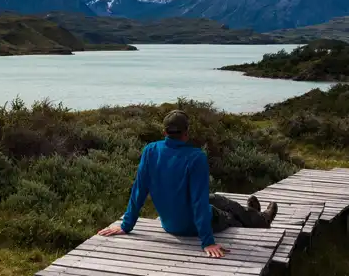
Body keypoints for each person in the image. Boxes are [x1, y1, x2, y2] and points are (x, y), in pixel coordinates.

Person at [98, 110, 278, 258]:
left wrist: (126, 226)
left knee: (217, 198)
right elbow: (198, 202)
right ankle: (261, 220)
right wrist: (207, 242)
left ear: (165, 132)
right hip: (190, 227)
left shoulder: (150, 151)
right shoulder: (196, 157)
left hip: (170, 224)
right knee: (228, 215)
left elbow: (139, 190)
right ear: (186, 132)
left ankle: (253, 214)